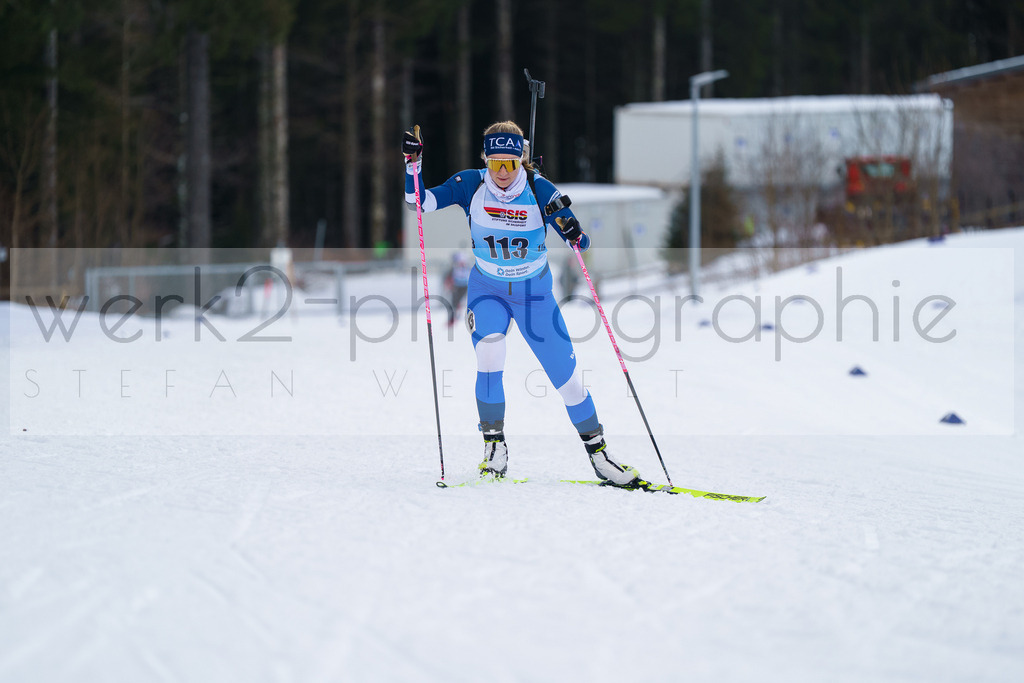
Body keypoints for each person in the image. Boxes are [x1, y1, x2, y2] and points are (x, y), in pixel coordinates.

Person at [402, 121, 640, 487]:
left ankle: (600, 455)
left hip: (535, 296)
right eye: (495, 163)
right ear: (485, 159)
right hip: (488, 291)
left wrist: (575, 233)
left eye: (510, 165)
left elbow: (577, 236)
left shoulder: (538, 188)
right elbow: (419, 202)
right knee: (490, 354)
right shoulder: (471, 184)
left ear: (522, 162)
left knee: (569, 381)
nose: (501, 173)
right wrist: (412, 164)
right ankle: (494, 447)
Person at [444, 251, 471, 328]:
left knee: (457, 302)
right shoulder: (454, 268)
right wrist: (449, 284)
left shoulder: (467, 268)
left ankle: (456, 315)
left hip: (464, 286)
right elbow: (449, 276)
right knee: (453, 303)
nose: (461, 263)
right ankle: (452, 319)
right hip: (456, 286)